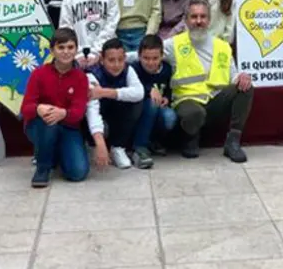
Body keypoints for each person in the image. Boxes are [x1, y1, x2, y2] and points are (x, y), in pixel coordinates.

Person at [165, 0, 254, 161]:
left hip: (214, 101)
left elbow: (233, 75)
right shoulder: (172, 45)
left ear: (209, 20)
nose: (198, 21)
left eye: (203, 17)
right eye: (194, 17)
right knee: (195, 113)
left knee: (246, 86)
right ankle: (191, 138)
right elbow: (145, 56)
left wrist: (242, 76)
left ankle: (233, 141)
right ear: (186, 20)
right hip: (187, 101)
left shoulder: (222, 46)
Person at [22, 29, 92, 187]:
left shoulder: (81, 78)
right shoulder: (38, 74)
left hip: (68, 127)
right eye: (61, 48)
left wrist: (64, 113)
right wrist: (38, 108)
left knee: (78, 172)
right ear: (52, 50)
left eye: (70, 47)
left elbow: (78, 112)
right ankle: (43, 168)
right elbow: (26, 108)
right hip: (40, 125)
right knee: (49, 123)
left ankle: (57, 153)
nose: (66, 52)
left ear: (76, 49)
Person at [87, 38, 146, 170]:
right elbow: (92, 111)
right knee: (90, 115)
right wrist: (99, 141)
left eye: (120, 60)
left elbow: (139, 92)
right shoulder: (92, 75)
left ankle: (118, 148)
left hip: (119, 116)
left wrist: (104, 92)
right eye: (111, 60)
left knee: (137, 102)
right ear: (102, 60)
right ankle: (94, 146)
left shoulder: (128, 70)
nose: (116, 64)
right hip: (101, 119)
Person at [133, 34, 176, 164]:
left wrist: (167, 99)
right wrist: (148, 90)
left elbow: (169, 89)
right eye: (146, 58)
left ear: (162, 56)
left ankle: (155, 141)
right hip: (140, 110)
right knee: (152, 103)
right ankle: (140, 147)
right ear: (139, 56)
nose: (150, 62)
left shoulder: (167, 70)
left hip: (159, 110)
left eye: (155, 58)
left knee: (170, 118)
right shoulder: (135, 69)